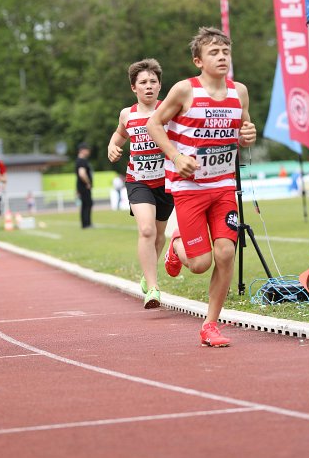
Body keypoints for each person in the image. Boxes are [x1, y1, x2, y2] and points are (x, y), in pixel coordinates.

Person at [147, 27, 256, 347]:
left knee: (225, 252)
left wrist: (247, 136)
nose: (222, 57)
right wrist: (176, 155)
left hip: (223, 186)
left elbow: (244, 130)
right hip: (189, 186)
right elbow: (155, 123)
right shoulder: (184, 91)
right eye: (214, 52)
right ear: (198, 60)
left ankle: (210, 325)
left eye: (226, 52)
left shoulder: (240, 92)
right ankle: (176, 246)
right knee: (199, 264)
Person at [108, 58, 174, 309]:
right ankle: (153, 288)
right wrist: (111, 147)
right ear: (134, 88)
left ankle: (148, 276)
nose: (149, 86)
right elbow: (119, 134)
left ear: (160, 86)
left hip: (165, 183)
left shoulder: (169, 112)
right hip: (138, 181)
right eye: (143, 82)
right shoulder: (127, 114)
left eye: (153, 82)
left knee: (159, 236)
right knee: (146, 230)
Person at [75, 142, 93, 228]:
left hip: (81, 187)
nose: (88, 151)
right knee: (87, 204)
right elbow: (82, 174)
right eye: (87, 149)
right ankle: (87, 224)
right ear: (82, 150)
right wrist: (88, 182)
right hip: (84, 186)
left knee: (85, 205)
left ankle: (85, 224)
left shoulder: (79, 160)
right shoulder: (82, 161)